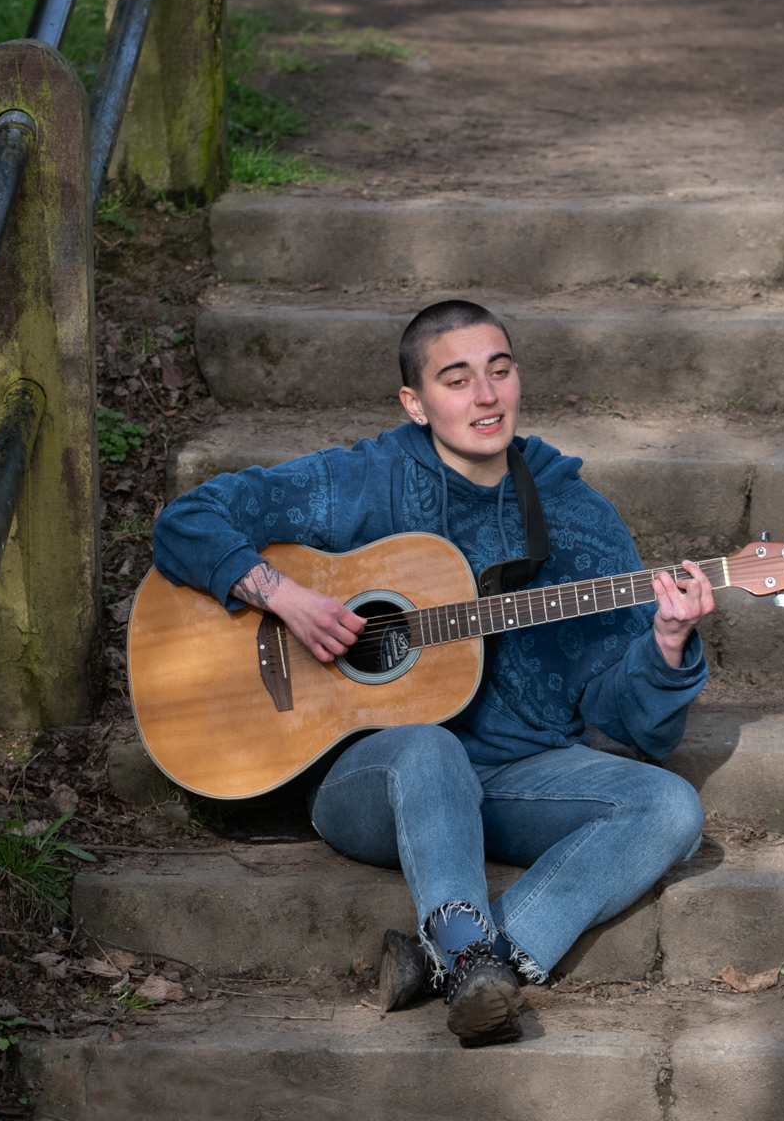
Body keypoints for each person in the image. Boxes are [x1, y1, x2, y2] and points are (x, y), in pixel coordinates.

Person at [152, 300, 714, 1046]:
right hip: (375, 778)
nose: (485, 396)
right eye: (457, 379)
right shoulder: (361, 481)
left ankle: (462, 961)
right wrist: (282, 595)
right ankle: (469, 954)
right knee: (429, 744)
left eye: (500, 371)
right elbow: (186, 520)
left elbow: (638, 726)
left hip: (514, 777)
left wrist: (668, 643)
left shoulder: (577, 518)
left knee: (671, 807)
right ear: (414, 403)